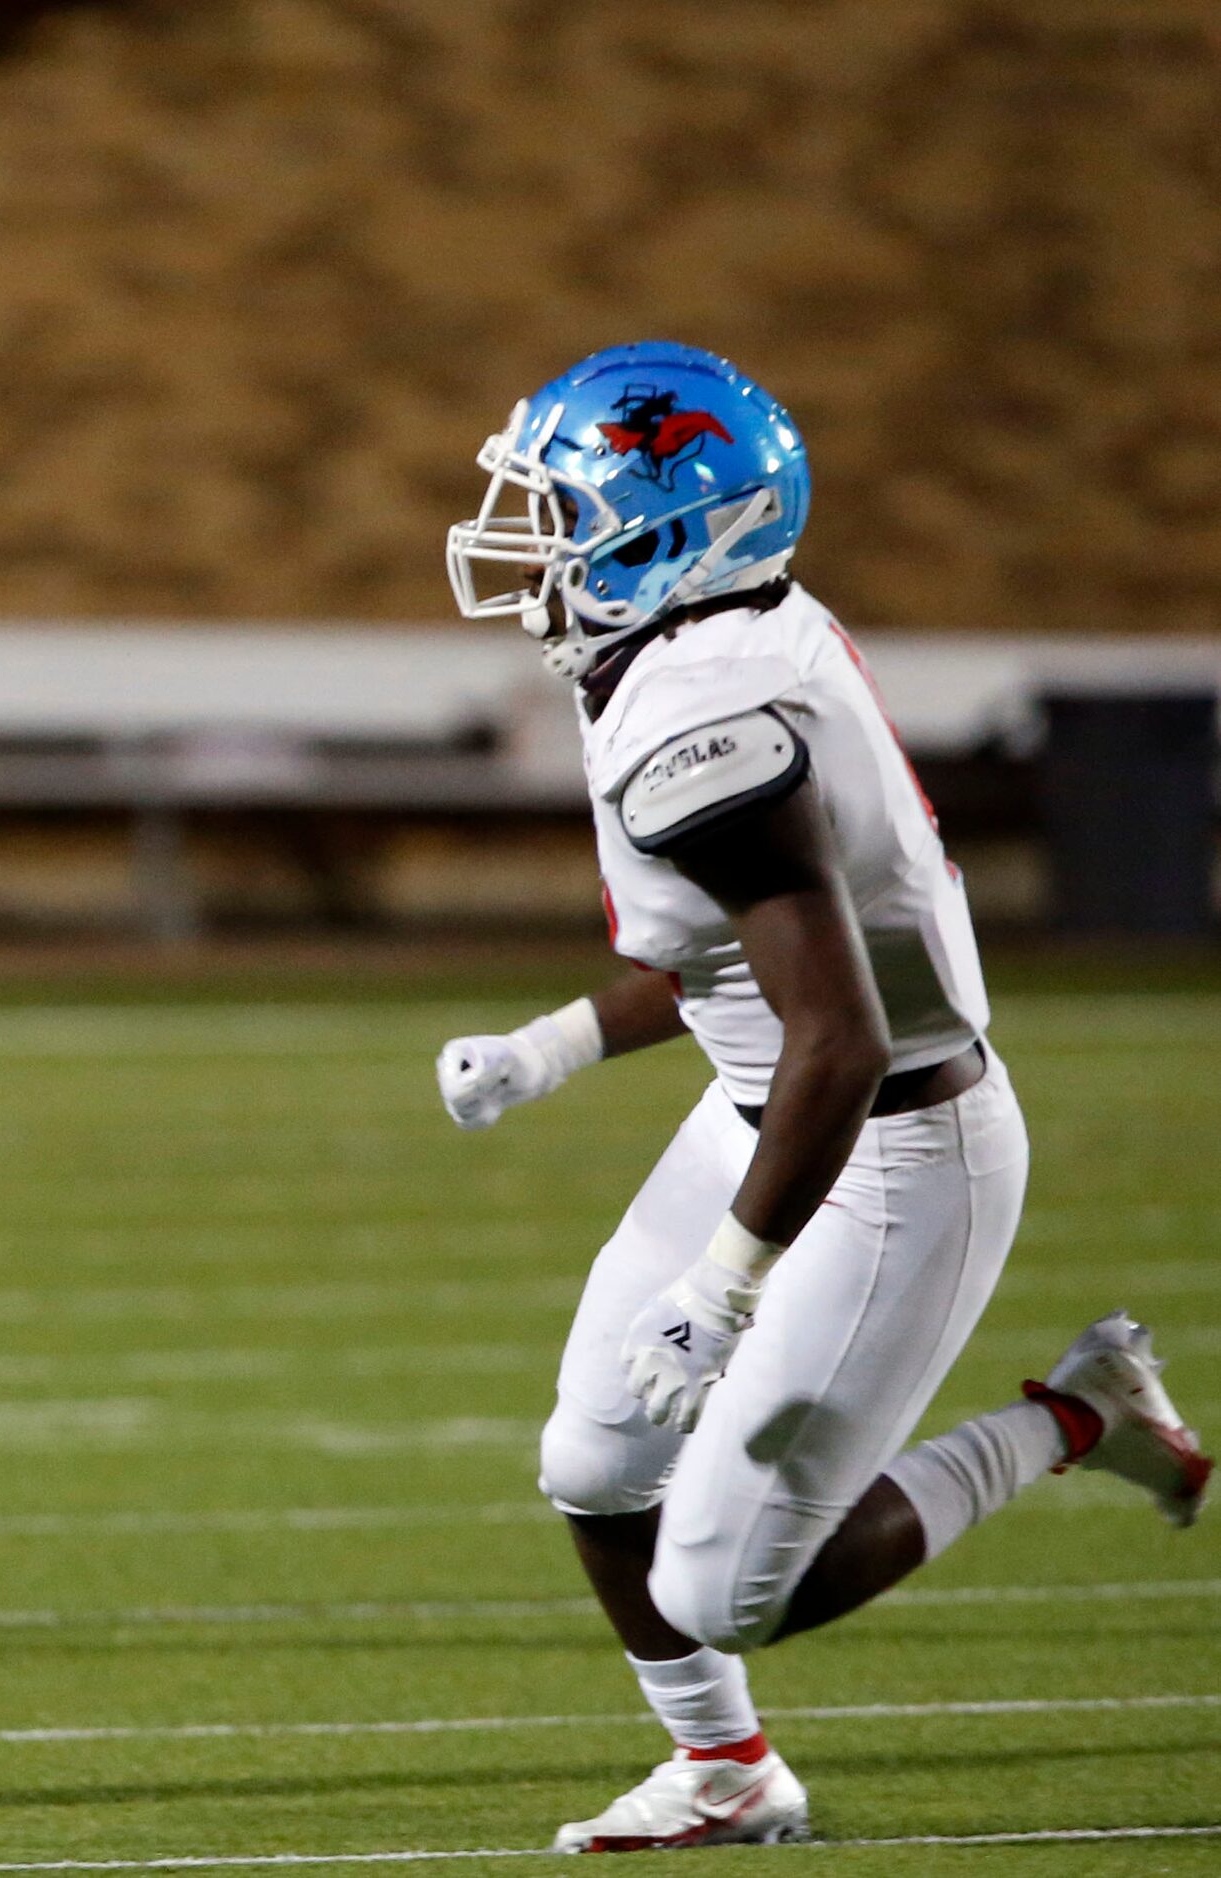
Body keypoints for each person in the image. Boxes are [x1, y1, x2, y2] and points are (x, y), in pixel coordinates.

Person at [436, 341, 1210, 1852]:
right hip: (778, 1096)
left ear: (668, 531)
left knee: (729, 1584)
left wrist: (723, 1285)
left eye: (561, 509)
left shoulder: (693, 726)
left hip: (895, 1139)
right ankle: (724, 1773)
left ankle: (1073, 1411)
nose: (530, 541)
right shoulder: (712, 646)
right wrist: (552, 1047)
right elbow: (746, 961)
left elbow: (839, 1035)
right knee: (592, 1460)